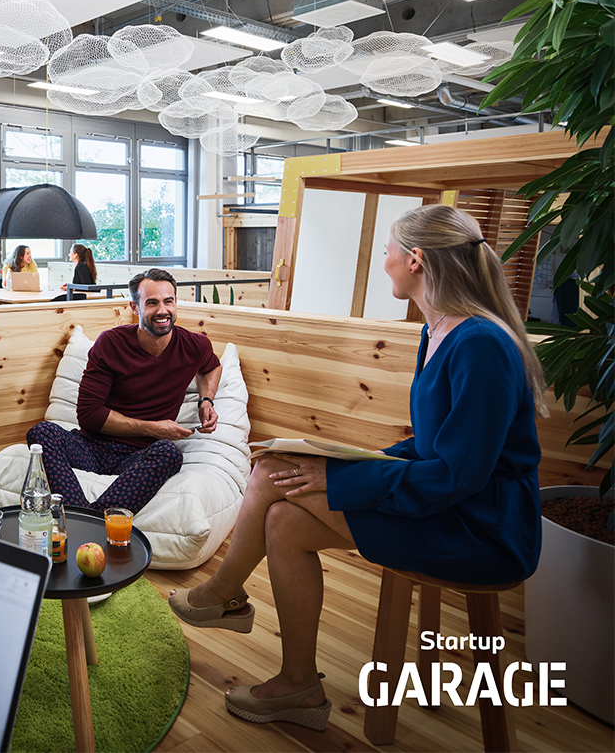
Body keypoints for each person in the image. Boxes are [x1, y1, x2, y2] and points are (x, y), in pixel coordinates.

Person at [168, 204, 546, 732]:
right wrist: (342, 460)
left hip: (481, 525)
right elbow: (431, 449)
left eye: (389, 250)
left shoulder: (480, 345)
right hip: (449, 501)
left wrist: (338, 477)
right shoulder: (437, 331)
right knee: (280, 508)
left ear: (416, 260)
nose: (384, 261)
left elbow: (461, 476)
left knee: (272, 478)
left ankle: (222, 595)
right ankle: (297, 681)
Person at [26, 268, 221, 514]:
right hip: (91, 448)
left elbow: (212, 367)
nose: (162, 310)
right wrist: (154, 427)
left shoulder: (196, 345)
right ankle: (85, 516)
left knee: (170, 453)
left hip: (140, 456)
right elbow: (89, 416)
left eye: (168, 301)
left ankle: (88, 517)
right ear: (135, 307)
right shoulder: (110, 343)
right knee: (42, 433)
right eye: (152, 303)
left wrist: (206, 401)